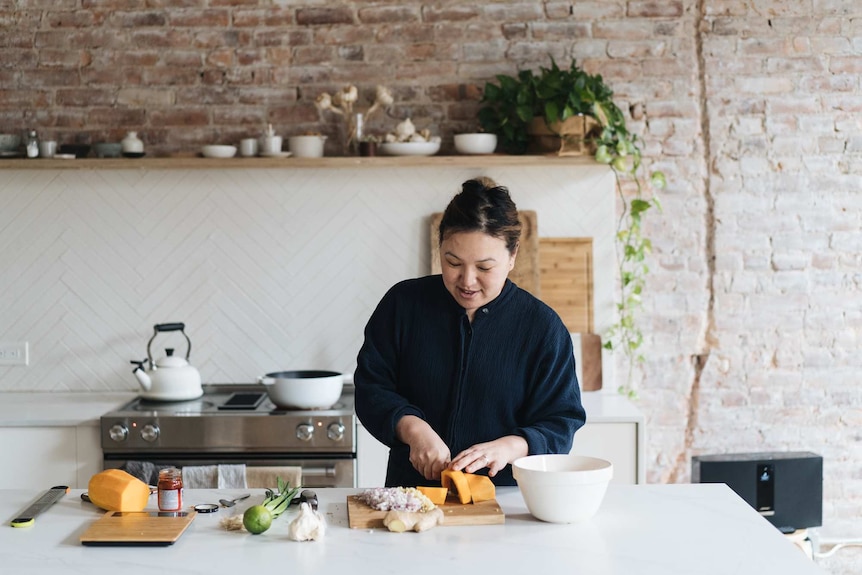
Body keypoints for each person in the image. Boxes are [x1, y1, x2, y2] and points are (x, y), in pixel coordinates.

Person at [354, 178, 586, 487]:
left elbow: (562, 421)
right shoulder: (403, 305)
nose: (467, 281)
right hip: (411, 499)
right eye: (453, 262)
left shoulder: (543, 328)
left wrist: (511, 446)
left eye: (484, 267)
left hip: (507, 502)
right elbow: (372, 387)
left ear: (513, 255)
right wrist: (413, 429)